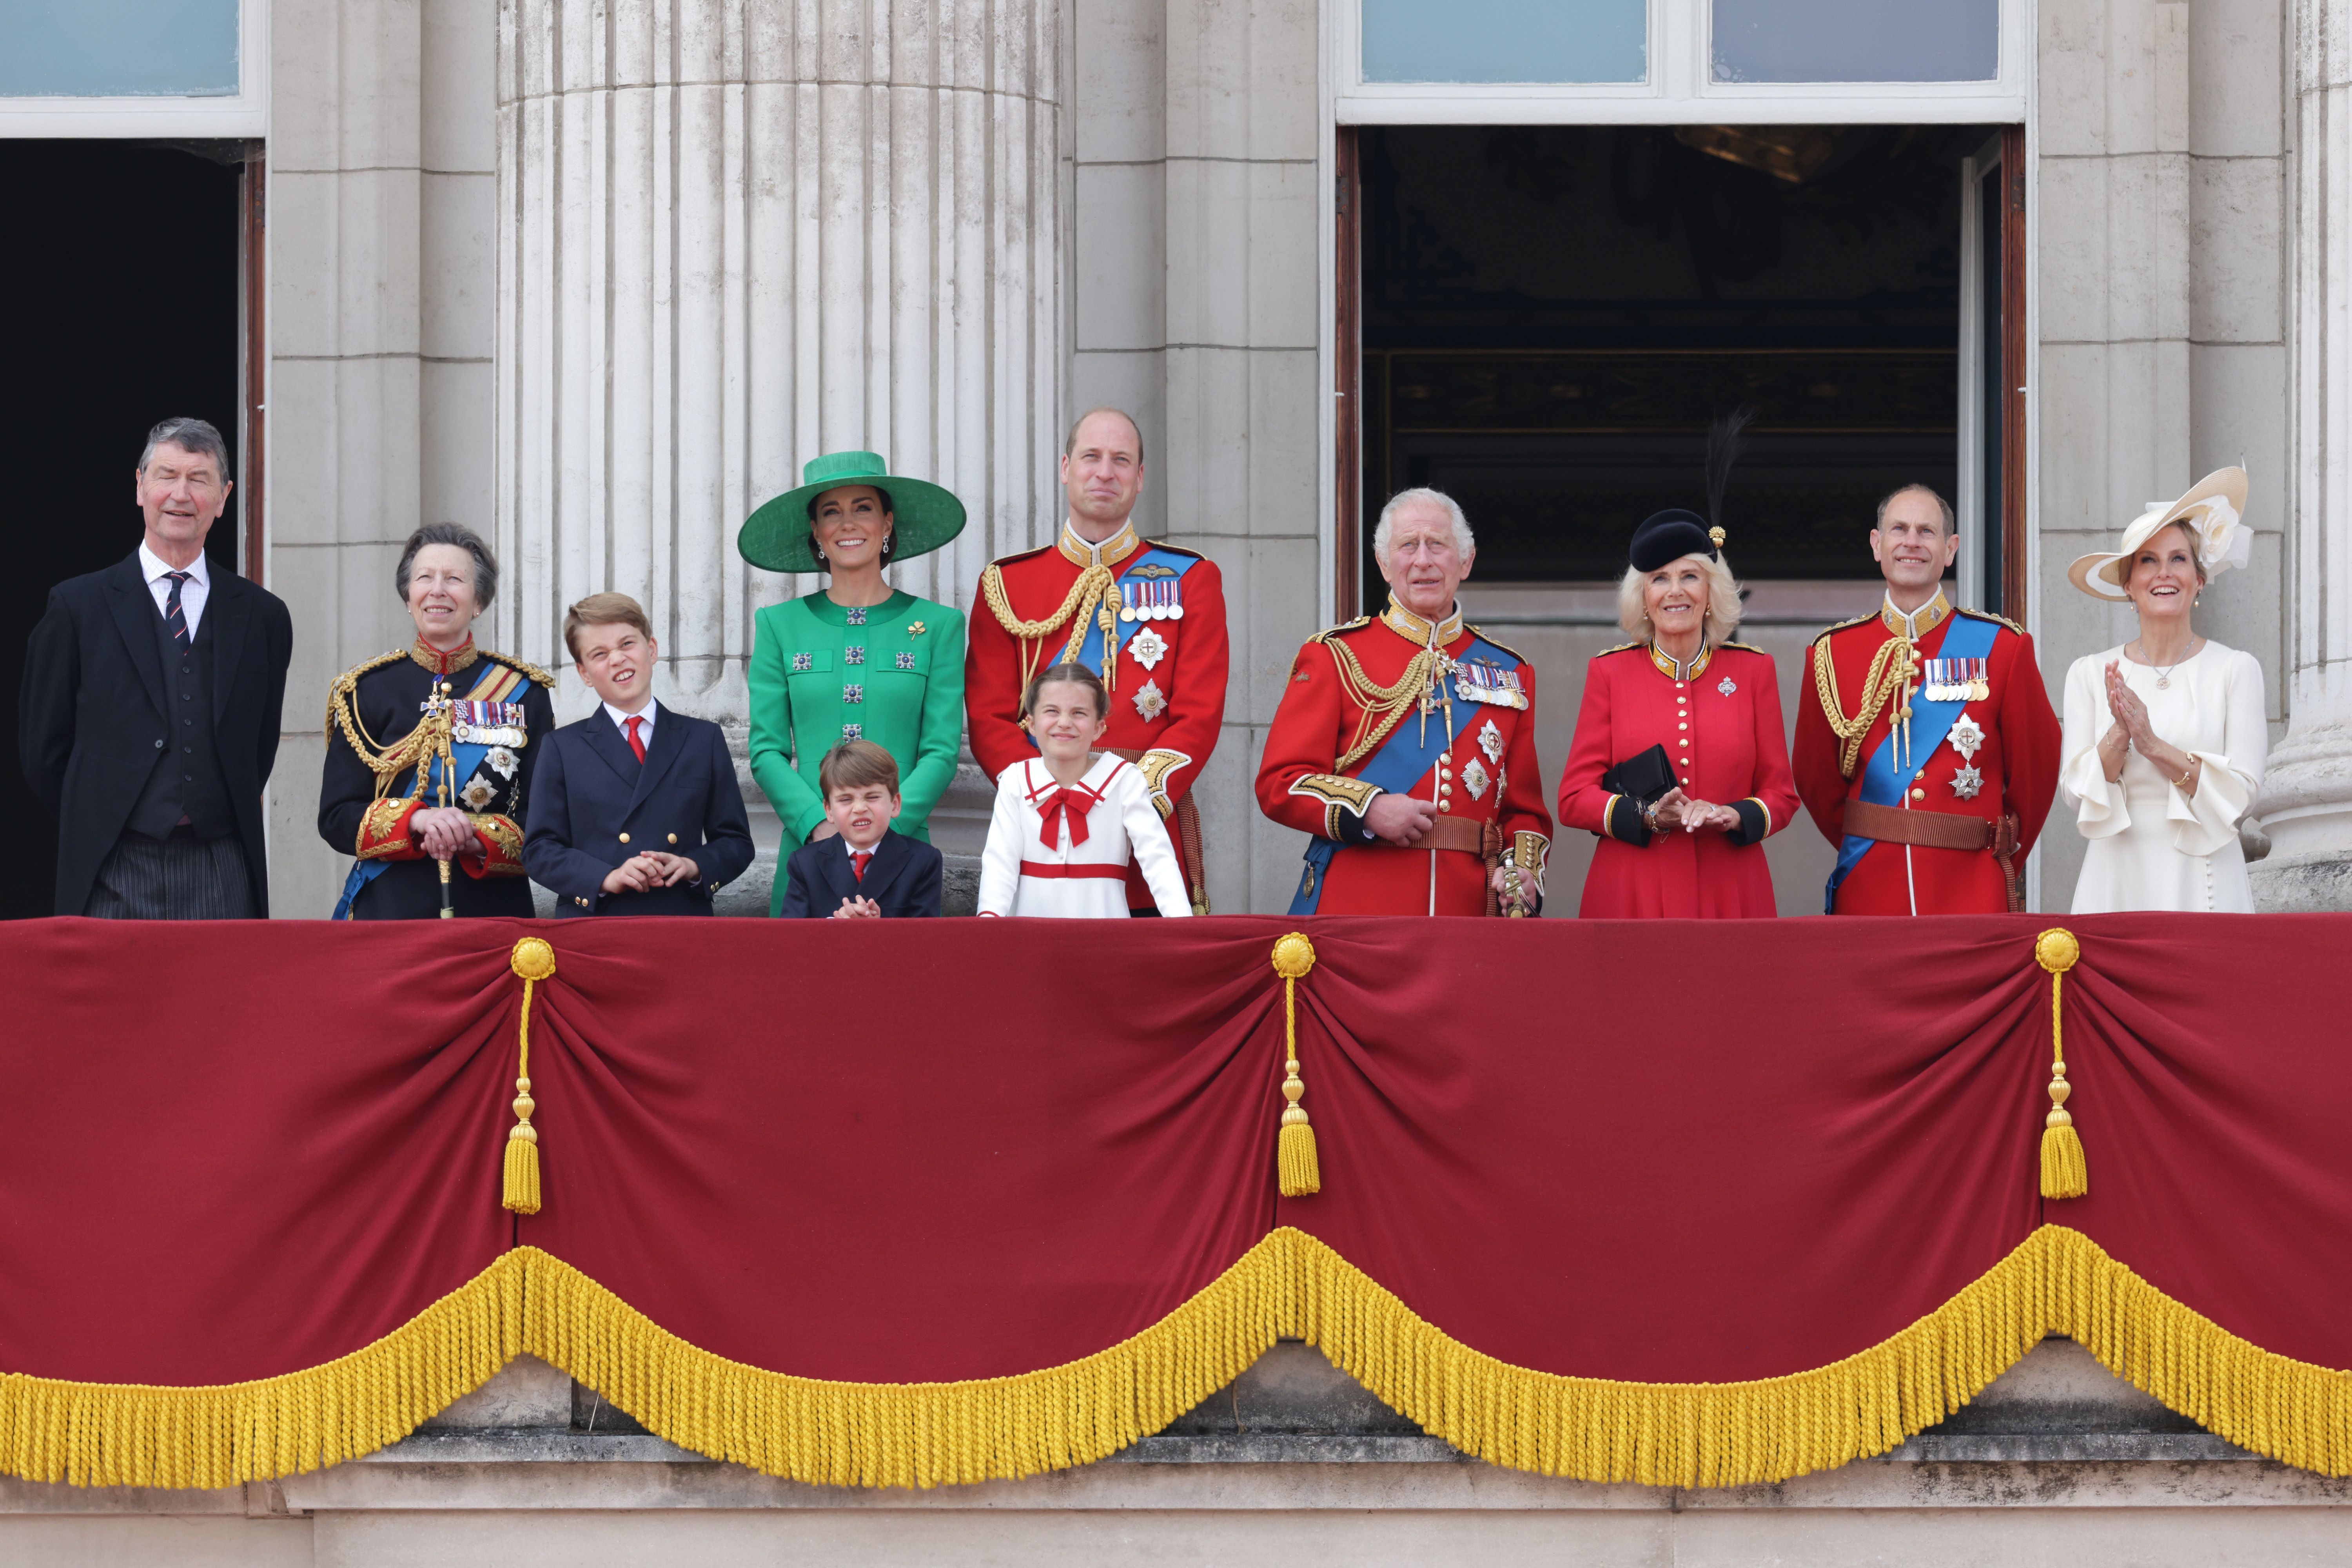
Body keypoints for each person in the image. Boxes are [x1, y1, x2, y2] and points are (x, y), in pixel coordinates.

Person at [20, 417, 292, 918]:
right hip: (112, 864)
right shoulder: (77, 606)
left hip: (222, 865)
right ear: (140, 486)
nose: (180, 494)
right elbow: (43, 750)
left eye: (199, 479)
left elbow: (259, 747)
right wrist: (99, 815)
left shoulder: (263, 616)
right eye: (166, 475)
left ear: (225, 495)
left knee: (222, 998)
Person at [965, 408, 1227, 914]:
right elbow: (987, 716)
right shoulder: (1006, 585)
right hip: (1037, 836)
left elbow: (1198, 716)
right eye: (1092, 457)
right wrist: (1048, 793)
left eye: (1121, 460)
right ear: (1066, 468)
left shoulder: (1192, 578)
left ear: (1140, 477)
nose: (1105, 472)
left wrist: (1126, 802)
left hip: (1145, 835)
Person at [1255, 488, 1552, 916]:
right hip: (1360, 908)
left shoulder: (1511, 673)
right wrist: (1368, 809)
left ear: (1465, 561)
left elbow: (1525, 813)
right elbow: (1280, 783)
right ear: (1384, 564)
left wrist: (1520, 869)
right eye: (1408, 546)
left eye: (1438, 545)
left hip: (1466, 913)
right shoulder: (1336, 655)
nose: (1423, 560)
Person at [1793, 483, 2061, 915]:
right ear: (1877, 545)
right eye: (1899, 529)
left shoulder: (2003, 648)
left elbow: (2037, 772)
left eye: (1927, 531)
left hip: (1970, 889)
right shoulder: (1832, 653)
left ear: (1951, 549)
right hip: (1870, 887)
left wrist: (1998, 850)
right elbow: (1815, 777)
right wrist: (1873, 834)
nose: (1911, 542)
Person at [740, 452, 967, 916]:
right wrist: (816, 826)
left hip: (904, 856)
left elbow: (941, 751)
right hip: (810, 853)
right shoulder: (778, 624)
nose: (848, 523)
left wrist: (887, 827)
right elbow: (766, 750)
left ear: (887, 523)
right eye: (831, 512)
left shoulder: (939, 625)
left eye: (863, 508)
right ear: (816, 532)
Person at [1555, 512, 1797, 918]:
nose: (1675, 591)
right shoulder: (1609, 673)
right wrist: (1648, 816)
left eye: (1690, 576)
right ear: (1644, 597)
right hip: (1632, 890)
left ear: (1710, 591)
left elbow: (1782, 794)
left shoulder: (1754, 671)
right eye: (1659, 578)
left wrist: (1734, 815)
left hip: (1730, 889)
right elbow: (1574, 798)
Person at [319, 524, 555, 918]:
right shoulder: (365, 691)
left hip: (492, 913)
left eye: (455, 579)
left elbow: (546, 821)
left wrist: (475, 838)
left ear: (478, 601)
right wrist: (418, 820)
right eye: (425, 578)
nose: (438, 590)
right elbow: (336, 817)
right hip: (391, 909)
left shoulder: (524, 691)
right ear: (408, 597)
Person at [2059, 469, 2268, 912]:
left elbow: (2244, 793)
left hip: (2206, 880)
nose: (2164, 573)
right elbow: (2076, 795)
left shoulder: (2236, 669)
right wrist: (2120, 733)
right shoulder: (2089, 673)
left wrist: (2153, 745)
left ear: (2199, 580)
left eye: (2178, 559)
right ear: (2128, 584)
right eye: (2148, 561)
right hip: (2115, 882)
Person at [523, 593, 756, 915]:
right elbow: (540, 850)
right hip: (595, 925)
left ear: (652, 649)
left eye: (627, 644)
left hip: (678, 919)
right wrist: (606, 876)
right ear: (585, 674)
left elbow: (736, 842)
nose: (617, 659)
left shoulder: (703, 739)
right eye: (600, 654)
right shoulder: (562, 747)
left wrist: (692, 866)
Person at [976, 663, 1192, 918]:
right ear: (1031, 724)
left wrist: (1181, 922)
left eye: (1079, 713)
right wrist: (989, 920)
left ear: (1099, 727)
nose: (1064, 723)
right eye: (1052, 711)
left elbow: (1157, 858)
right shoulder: (1015, 780)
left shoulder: (1125, 780)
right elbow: (1001, 861)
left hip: (1106, 936)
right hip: (1029, 936)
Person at [780, 739, 945, 918]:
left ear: (895, 804)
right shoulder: (805, 863)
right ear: (829, 810)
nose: (860, 808)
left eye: (872, 797)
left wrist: (878, 929)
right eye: (846, 800)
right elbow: (792, 936)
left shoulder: (923, 861)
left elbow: (926, 938)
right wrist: (833, 927)